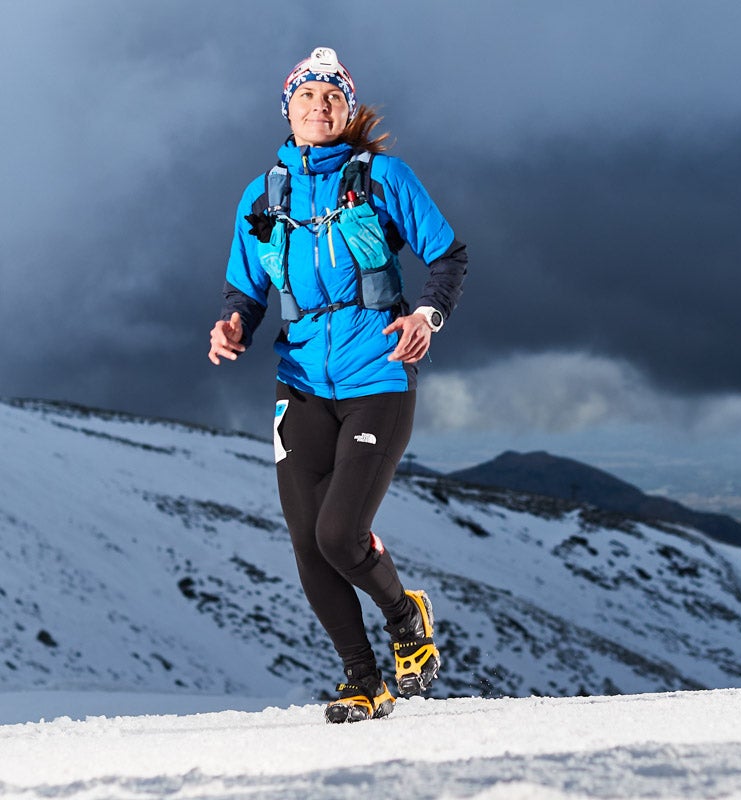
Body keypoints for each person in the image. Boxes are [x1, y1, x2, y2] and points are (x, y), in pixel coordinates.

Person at [208, 47, 468, 723]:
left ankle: (404, 616)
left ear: (347, 111)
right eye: (306, 96)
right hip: (299, 382)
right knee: (307, 544)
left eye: (332, 97)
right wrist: (234, 324)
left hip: (376, 370)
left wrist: (425, 315)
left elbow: (446, 254)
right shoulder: (262, 196)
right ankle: (363, 681)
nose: (319, 106)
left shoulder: (383, 177)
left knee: (339, 533)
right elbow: (249, 287)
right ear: (287, 109)